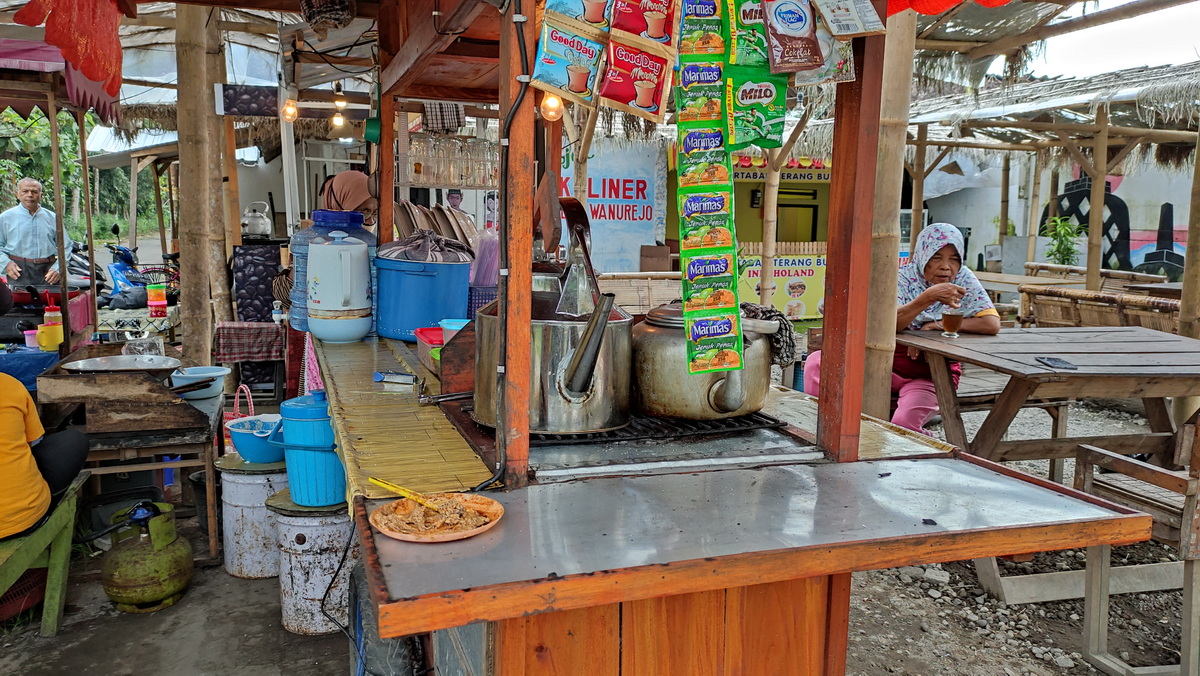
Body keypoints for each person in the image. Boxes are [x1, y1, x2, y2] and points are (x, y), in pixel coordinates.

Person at [804, 223, 1000, 433]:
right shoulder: (903, 277)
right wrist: (928, 298)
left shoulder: (963, 278)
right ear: (923, 255)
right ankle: (820, 426)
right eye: (936, 257)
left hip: (930, 376)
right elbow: (890, 324)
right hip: (882, 365)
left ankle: (924, 444)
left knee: (902, 427)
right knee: (817, 362)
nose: (946, 266)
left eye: (954, 259)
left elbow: (991, 323)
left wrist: (933, 326)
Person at [0, 373, 89, 540]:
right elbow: (33, 444)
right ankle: (41, 503)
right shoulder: (9, 385)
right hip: (24, 519)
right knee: (72, 441)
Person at [0, 178, 74, 286]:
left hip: (49, 272)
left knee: (51, 297)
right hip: (18, 270)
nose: (30, 195)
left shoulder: (53, 218)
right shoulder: (5, 218)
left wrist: (58, 268)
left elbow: (66, 247)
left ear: (41, 195)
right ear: (17, 194)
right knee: (19, 297)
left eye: (34, 192)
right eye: (25, 191)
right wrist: (6, 264)